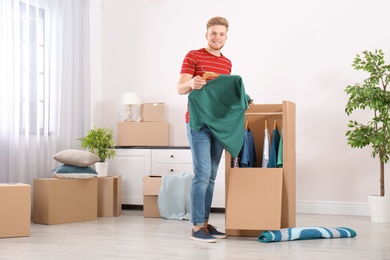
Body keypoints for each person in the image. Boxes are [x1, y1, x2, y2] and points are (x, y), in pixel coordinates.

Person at [176, 16, 253, 243]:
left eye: (221, 34)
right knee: (201, 175)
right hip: (198, 123)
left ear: (226, 37)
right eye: (213, 33)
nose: (217, 37)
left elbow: (223, 96)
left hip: (219, 126)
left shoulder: (227, 63)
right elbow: (180, 88)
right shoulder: (193, 55)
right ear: (206, 35)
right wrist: (192, 83)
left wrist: (243, 100)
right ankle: (196, 227)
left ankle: (205, 224)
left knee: (210, 177)